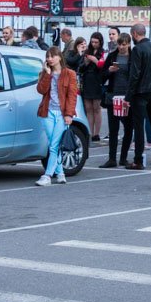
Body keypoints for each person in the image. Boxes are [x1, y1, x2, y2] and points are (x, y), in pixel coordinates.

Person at [35, 46, 78, 187]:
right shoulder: (45, 73)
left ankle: (47, 175)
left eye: (52, 56)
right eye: (47, 56)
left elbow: (72, 96)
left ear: (59, 57)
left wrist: (69, 114)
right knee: (54, 144)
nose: (49, 59)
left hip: (62, 114)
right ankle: (60, 173)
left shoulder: (70, 74)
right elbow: (41, 90)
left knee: (54, 145)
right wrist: (47, 74)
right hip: (46, 113)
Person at [127, 22, 151, 170]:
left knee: (139, 126)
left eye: (132, 35)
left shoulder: (138, 49)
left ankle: (138, 160)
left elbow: (135, 74)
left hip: (141, 92)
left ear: (135, 34)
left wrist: (128, 96)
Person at [98, 33, 134, 168]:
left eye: (124, 44)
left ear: (129, 44)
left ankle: (123, 157)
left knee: (129, 127)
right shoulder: (112, 56)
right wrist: (109, 71)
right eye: (119, 44)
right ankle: (112, 158)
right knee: (113, 128)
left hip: (127, 96)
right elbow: (102, 77)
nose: (121, 47)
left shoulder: (133, 56)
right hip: (113, 95)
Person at [79, 33, 107, 143]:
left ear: (100, 43)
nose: (94, 44)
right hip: (87, 81)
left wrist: (96, 61)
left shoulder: (103, 52)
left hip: (97, 81)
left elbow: (104, 68)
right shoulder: (87, 52)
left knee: (97, 108)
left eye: (96, 42)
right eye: (92, 42)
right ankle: (90, 132)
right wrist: (85, 63)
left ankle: (97, 133)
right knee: (88, 108)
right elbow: (80, 68)